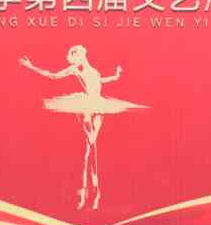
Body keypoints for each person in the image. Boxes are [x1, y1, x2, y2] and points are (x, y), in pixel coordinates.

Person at [19, 45, 143, 210]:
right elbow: (53, 75)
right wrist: (31, 66)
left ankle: (89, 192)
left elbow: (101, 81)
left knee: (91, 149)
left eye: (73, 57)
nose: (71, 60)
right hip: (85, 107)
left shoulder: (94, 71)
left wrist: (116, 76)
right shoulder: (74, 70)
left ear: (80, 56)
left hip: (99, 107)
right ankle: (89, 191)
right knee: (89, 150)